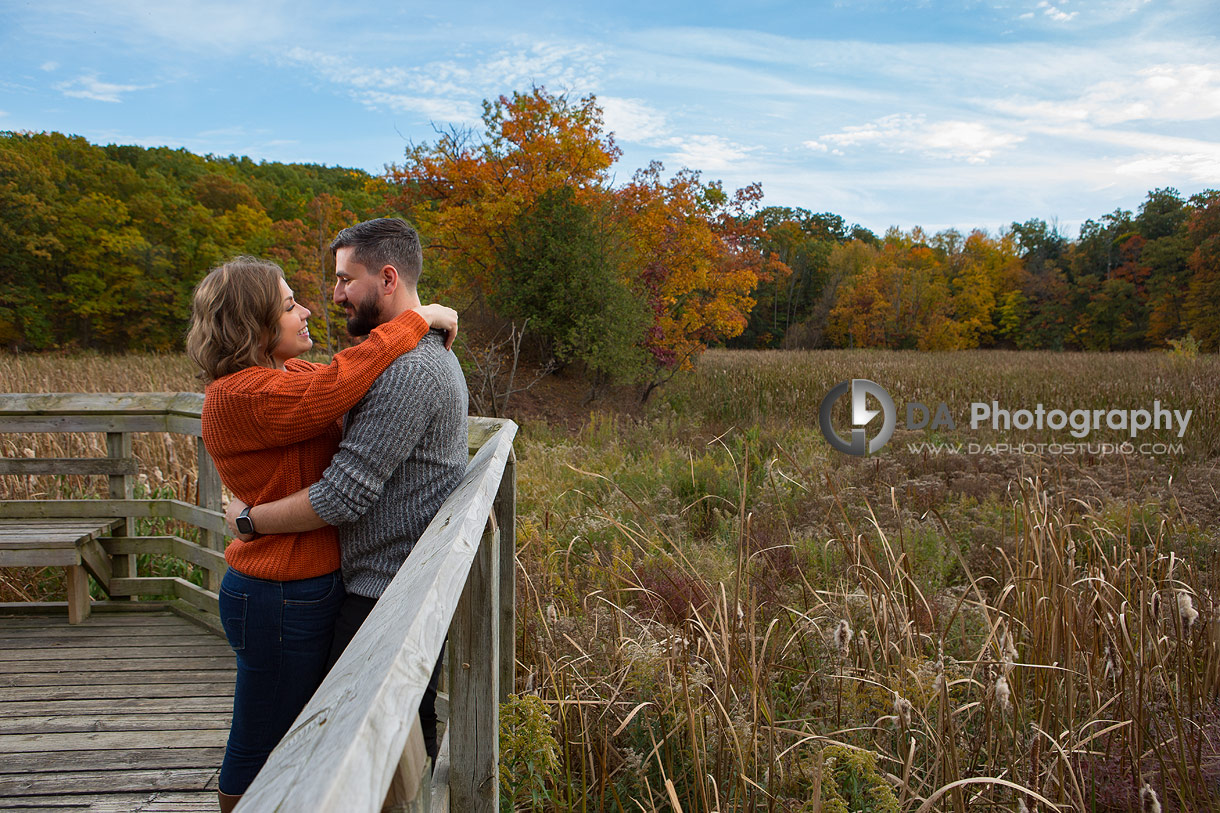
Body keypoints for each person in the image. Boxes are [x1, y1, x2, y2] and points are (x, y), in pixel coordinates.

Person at [184, 255, 457, 813]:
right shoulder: (239, 395)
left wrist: (425, 341)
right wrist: (416, 318)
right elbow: (340, 382)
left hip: (302, 588)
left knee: (297, 732)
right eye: (289, 306)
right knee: (260, 740)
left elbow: (351, 376)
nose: (307, 309)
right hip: (276, 594)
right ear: (253, 326)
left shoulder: (291, 377)